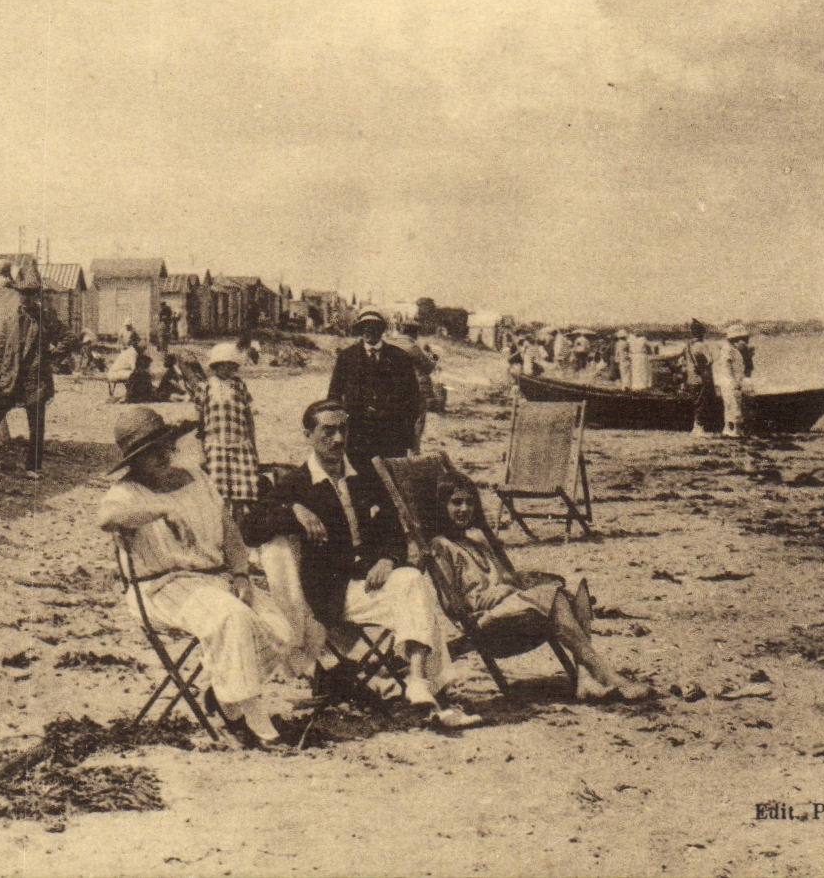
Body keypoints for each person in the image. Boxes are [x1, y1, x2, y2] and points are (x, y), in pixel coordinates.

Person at [271, 400, 480, 728]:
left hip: (370, 581)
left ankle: (417, 681)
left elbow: (394, 530)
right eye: (328, 430)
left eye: (343, 429)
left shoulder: (363, 475)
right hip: (331, 594)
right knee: (416, 593)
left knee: (412, 581)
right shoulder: (295, 483)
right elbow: (253, 525)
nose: (338, 439)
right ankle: (436, 694)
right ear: (307, 434)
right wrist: (294, 511)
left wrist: (387, 558)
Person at [99, 407, 295, 745]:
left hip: (215, 577)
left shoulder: (196, 476)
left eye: (166, 445)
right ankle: (251, 720)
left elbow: (229, 530)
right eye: (149, 452)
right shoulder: (126, 493)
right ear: (135, 460)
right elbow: (107, 517)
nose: (162, 455)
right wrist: (162, 510)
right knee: (232, 618)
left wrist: (241, 575)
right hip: (163, 586)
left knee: (281, 630)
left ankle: (223, 697)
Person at [429, 472, 650, 700]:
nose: (464, 509)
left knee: (572, 588)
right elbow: (451, 604)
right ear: (442, 506)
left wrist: (507, 586)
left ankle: (584, 679)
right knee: (553, 596)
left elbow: (508, 579)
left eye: (470, 502)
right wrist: (482, 598)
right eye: (456, 502)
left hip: (511, 605)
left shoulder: (478, 539)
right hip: (485, 620)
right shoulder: (440, 546)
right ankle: (606, 675)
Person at [0, 261, 60, 476]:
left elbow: (69, 339)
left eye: (30, 294)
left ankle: (33, 467)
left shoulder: (47, 319)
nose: (26, 298)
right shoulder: (10, 319)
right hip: (10, 377)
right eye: (23, 294)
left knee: (36, 424)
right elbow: (0, 349)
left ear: (36, 296)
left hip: (34, 379)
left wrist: (49, 356)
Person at [326, 308, 423, 470]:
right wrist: (339, 430)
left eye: (373, 326)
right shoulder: (347, 357)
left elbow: (412, 400)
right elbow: (334, 395)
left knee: (391, 481)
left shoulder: (399, 358)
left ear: (382, 329)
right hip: (356, 434)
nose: (368, 331)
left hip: (391, 435)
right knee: (357, 480)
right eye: (363, 326)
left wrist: (405, 435)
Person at [197, 343, 262, 539]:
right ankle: (223, 539)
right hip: (215, 445)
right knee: (221, 497)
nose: (228, 369)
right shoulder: (205, 387)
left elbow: (249, 418)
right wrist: (201, 451)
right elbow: (199, 422)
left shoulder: (240, 386)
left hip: (241, 445)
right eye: (224, 365)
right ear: (216, 365)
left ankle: (239, 538)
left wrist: (253, 444)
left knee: (241, 496)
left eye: (232, 365)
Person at [715, 323, 752, 438]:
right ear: (735, 339)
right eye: (743, 340)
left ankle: (728, 428)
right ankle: (735, 430)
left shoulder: (731, 350)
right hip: (730, 382)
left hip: (728, 382)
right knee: (734, 405)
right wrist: (734, 382)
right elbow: (727, 368)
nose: (745, 343)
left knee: (729, 406)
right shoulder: (729, 350)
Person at [683, 319, 718, 435]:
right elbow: (710, 360)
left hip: (691, 378)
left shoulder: (688, 346)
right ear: (702, 333)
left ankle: (696, 427)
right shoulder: (701, 346)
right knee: (702, 403)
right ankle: (699, 428)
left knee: (696, 402)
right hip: (701, 378)